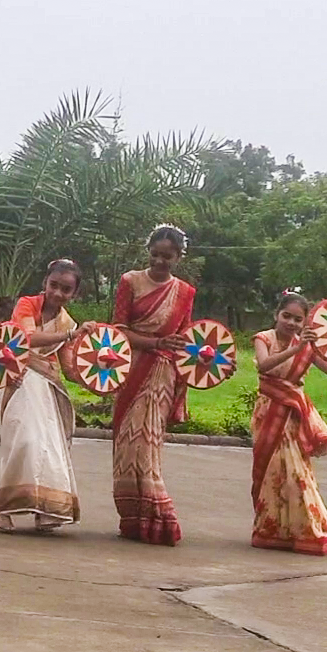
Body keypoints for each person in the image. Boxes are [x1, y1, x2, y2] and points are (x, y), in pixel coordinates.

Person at [110, 224, 196, 544]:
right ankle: (131, 518)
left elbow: (185, 340)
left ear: (178, 257)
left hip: (162, 373)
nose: (160, 262)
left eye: (168, 257)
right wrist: (155, 342)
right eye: (156, 255)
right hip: (131, 367)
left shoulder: (185, 292)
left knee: (149, 443)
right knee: (128, 444)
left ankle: (157, 515)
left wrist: (196, 370)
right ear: (148, 252)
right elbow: (119, 329)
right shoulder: (130, 281)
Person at [250, 290, 327, 555]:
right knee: (272, 473)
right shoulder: (264, 338)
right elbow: (264, 366)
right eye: (286, 316)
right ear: (276, 315)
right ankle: (271, 529)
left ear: (306, 323)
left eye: (298, 319)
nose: (291, 323)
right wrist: (297, 347)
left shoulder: (309, 347)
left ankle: (307, 530)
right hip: (269, 412)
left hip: (293, 417)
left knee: (297, 474)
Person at [0, 259, 85, 532]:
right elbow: (25, 339)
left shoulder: (68, 321)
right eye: (54, 285)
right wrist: (70, 335)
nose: (57, 293)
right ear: (45, 283)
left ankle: (48, 511)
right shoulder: (27, 304)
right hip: (16, 379)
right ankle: (4, 509)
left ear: (74, 294)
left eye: (65, 289)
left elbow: (69, 366)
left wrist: (99, 373)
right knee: (22, 442)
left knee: (49, 448)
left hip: (46, 388)